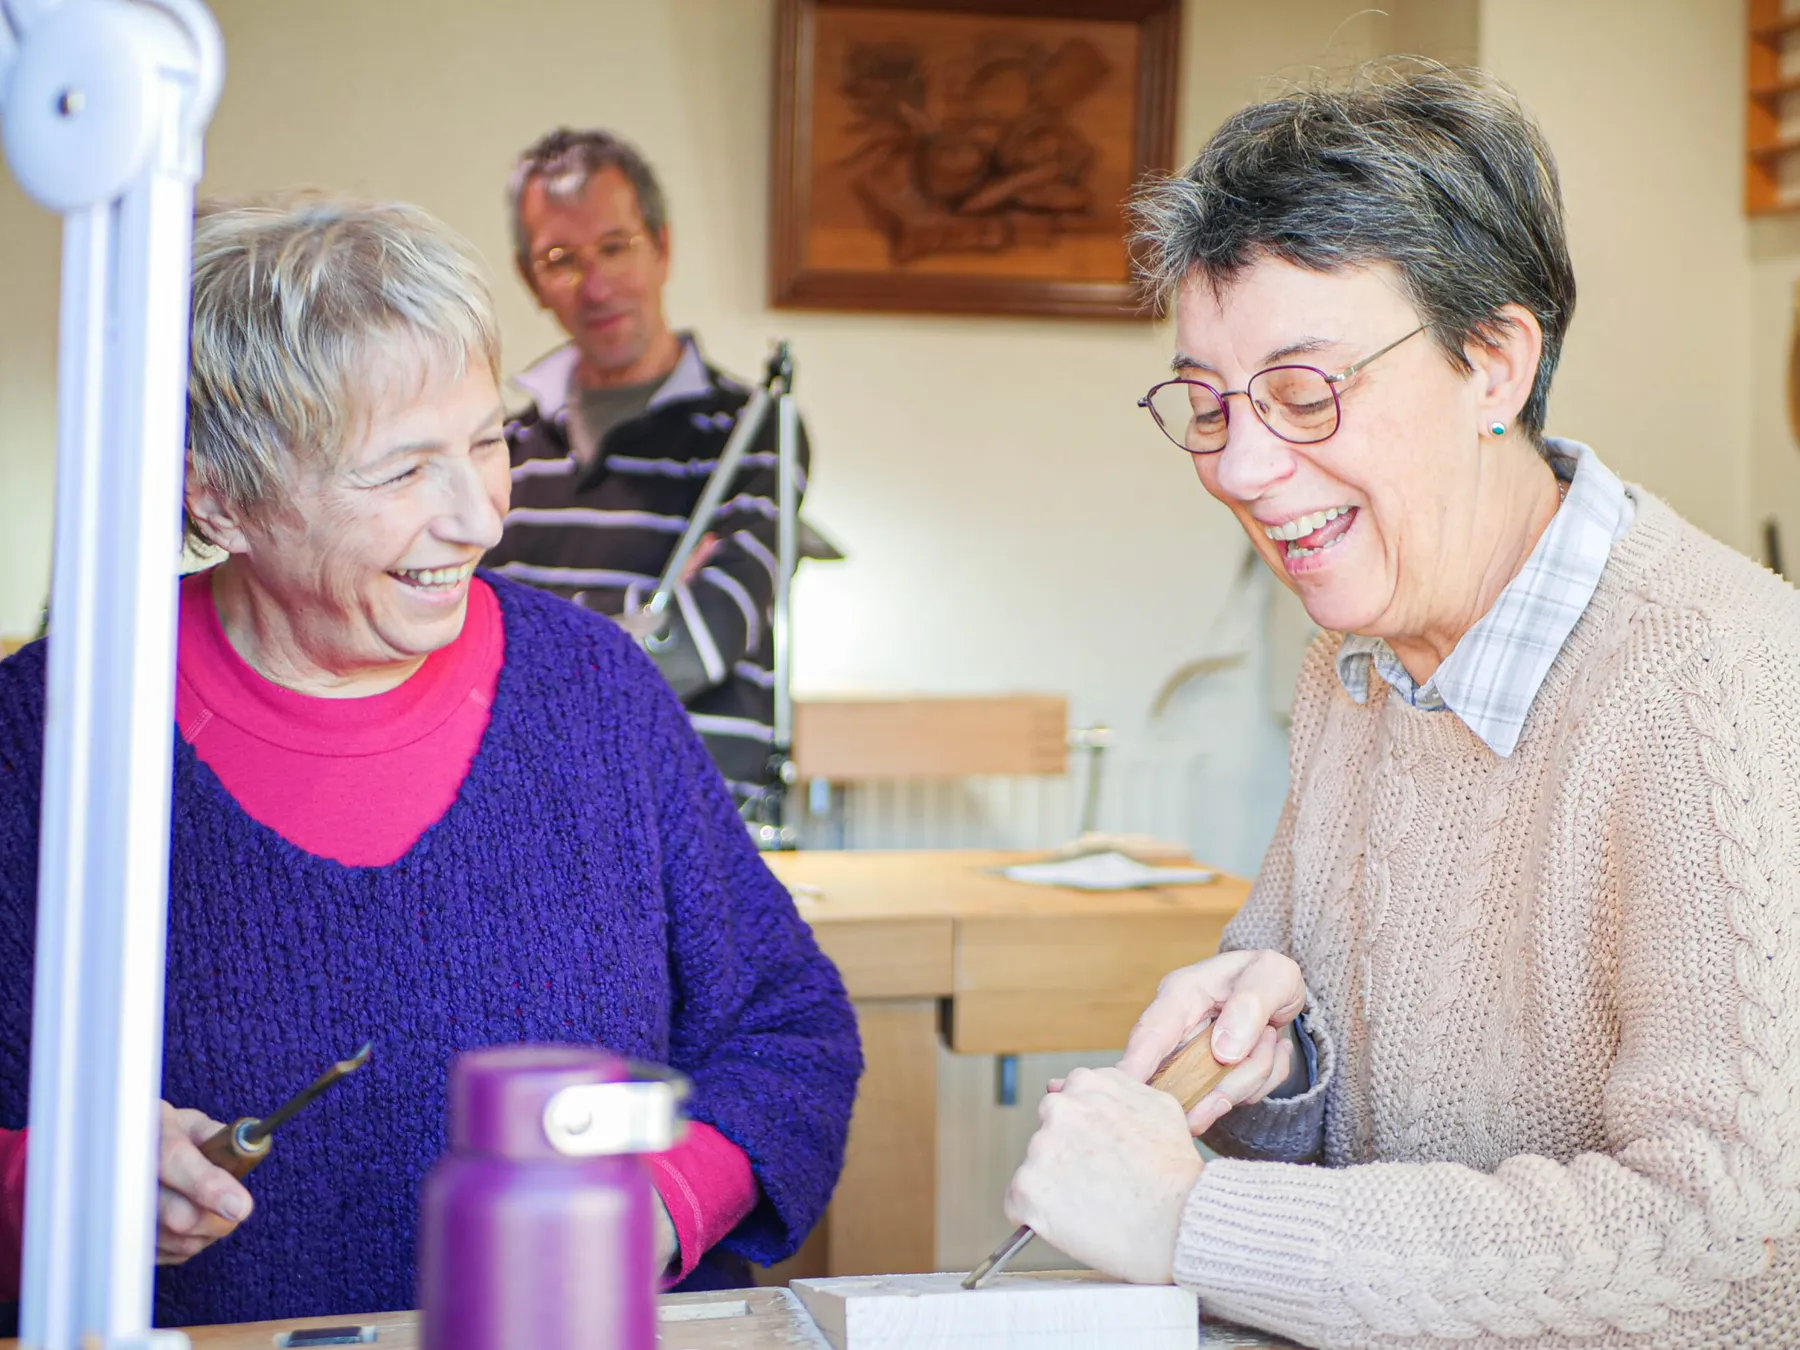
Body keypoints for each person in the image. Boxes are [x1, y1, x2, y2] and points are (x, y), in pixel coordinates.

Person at [1002, 64, 1800, 1348]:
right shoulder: (1359, 649)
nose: (1247, 470)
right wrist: (1278, 1056)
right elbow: (1359, 1104)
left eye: (1306, 392)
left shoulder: (1722, 688)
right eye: (1207, 404)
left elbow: (1739, 1257)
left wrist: (1192, 1226)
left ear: (1494, 362)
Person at [0, 195, 860, 1327]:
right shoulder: (53, 730)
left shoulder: (593, 691)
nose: (478, 520)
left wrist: (658, 1204)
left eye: (489, 442)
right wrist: (46, 1193)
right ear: (220, 493)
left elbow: (789, 1033)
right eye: (402, 472)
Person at [484, 129, 806, 815]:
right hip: (536, 821)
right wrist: (636, 626)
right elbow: (467, 654)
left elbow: (700, 641)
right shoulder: (500, 447)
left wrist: (540, 653)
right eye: (561, 258)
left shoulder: (753, 431)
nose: (596, 285)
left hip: (697, 825)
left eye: (616, 246)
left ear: (663, 246)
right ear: (529, 278)